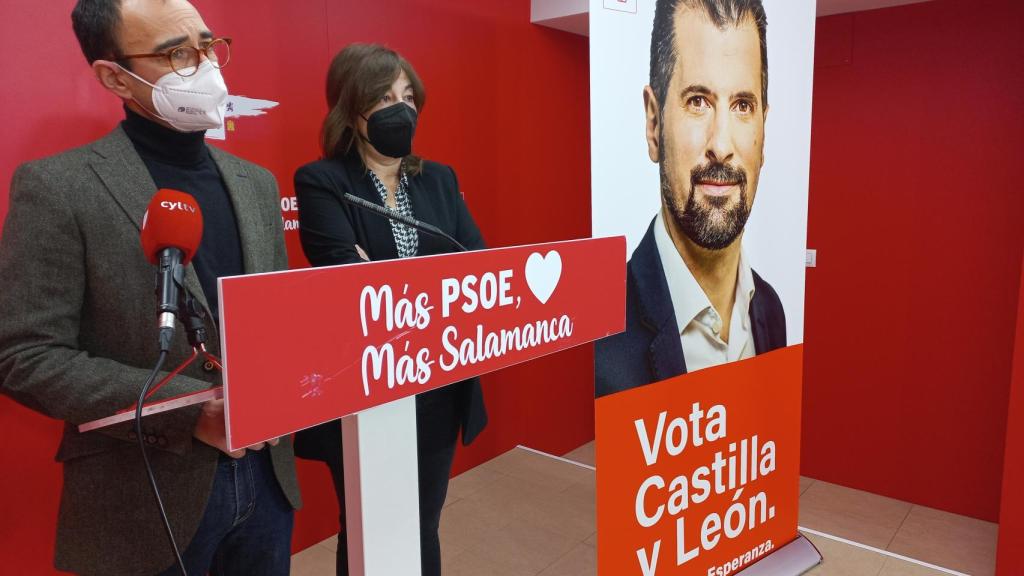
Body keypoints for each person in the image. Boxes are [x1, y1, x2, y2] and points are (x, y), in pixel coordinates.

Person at [0, 1, 300, 574]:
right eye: (177, 53)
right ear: (114, 75)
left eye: (208, 45)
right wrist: (187, 412)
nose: (206, 66)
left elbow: (275, 322)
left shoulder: (256, 184)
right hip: (139, 497)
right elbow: (23, 356)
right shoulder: (57, 187)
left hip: (266, 482)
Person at [293, 43, 488, 576]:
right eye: (383, 98)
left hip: (438, 386)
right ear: (352, 112)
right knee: (367, 525)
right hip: (364, 390)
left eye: (408, 96)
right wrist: (437, 279)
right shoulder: (322, 182)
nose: (401, 109)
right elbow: (346, 281)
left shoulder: (440, 179)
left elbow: (476, 265)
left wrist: (391, 275)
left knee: (423, 521)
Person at [595, 0, 786, 398]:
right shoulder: (602, 344)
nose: (721, 144)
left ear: (763, 131)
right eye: (698, 101)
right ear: (653, 124)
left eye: (742, 106)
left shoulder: (770, 309)